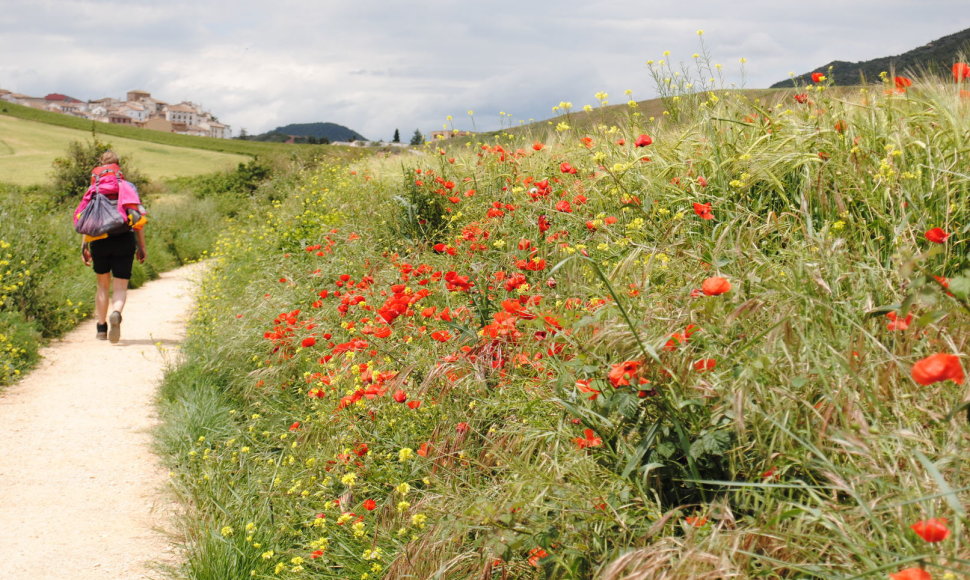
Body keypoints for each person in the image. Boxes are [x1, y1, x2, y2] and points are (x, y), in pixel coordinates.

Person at [79, 151, 148, 343]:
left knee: (102, 285)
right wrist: (141, 247)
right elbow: (138, 219)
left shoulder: (95, 188)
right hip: (124, 239)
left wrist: (84, 245)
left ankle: (101, 328)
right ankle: (116, 312)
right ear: (119, 166)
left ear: (101, 166)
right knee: (120, 287)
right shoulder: (128, 187)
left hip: (99, 240)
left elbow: (87, 220)